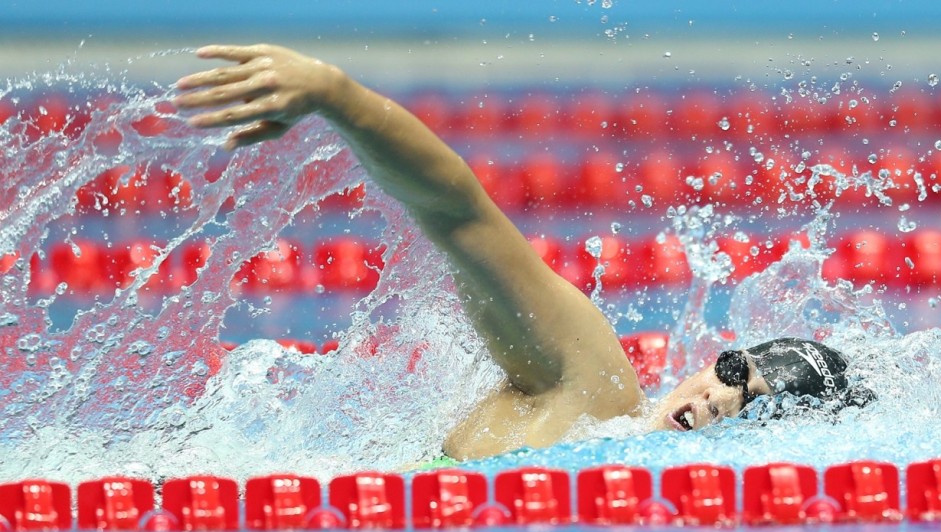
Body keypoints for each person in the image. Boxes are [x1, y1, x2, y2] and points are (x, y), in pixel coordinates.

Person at [174, 44, 864, 461]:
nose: (720, 398)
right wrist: (337, 94)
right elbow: (462, 215)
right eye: (732, 369)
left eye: (752, 406)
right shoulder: (593, 390)